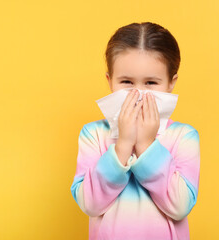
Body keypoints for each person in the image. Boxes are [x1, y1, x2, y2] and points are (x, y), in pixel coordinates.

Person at [70, 21, 200, 240]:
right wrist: (122, 146)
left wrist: (146, 146)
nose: (139, 93)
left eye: (150, 82)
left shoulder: (184, 137)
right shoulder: (93, 135)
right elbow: (90, 204)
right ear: (110, 81)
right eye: (127, 82)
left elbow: (180, 206)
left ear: (171, 83)